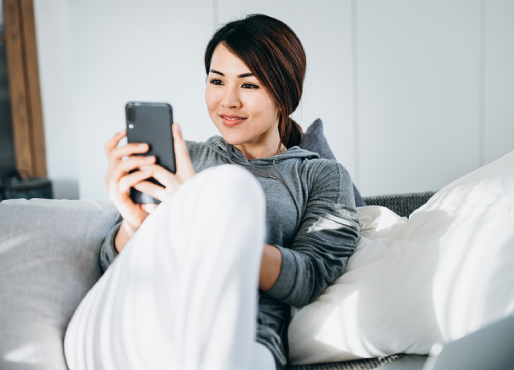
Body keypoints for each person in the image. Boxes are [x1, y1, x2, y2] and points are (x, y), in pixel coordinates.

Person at [64, 14, 360, 370]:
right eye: (217, 80)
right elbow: (112, 267)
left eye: (248, 85)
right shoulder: (179, 156)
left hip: (239, 339)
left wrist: (198, 214)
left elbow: (308, 278)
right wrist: (133, 222)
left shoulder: (321, 175)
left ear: (285, 94)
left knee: (233, 189)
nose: (228, 100)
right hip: (133, 324)